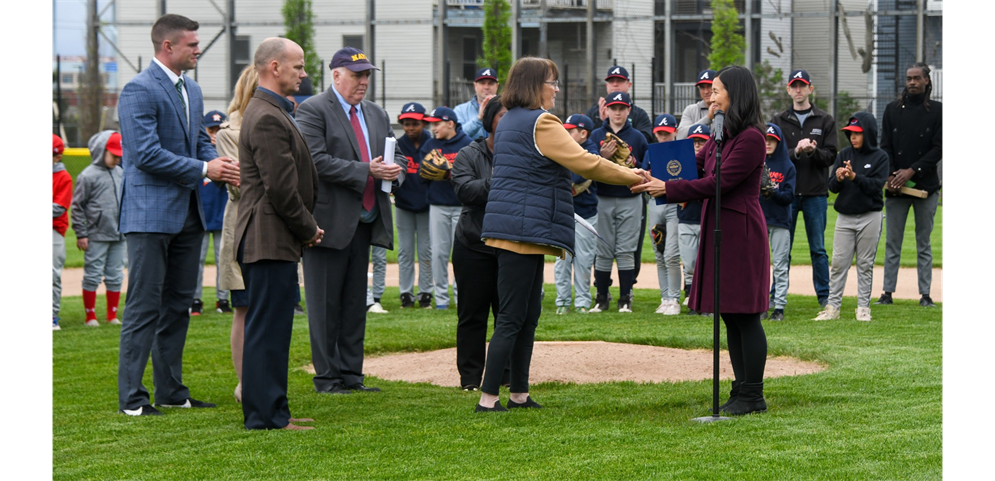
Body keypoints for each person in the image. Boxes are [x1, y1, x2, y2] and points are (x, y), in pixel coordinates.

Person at [476, 57, 642, 412]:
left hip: (520, 230)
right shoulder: (541, 122)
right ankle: (488, 398)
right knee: (511, 318)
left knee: (527, 314)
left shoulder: (509, 122)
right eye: (552, 82)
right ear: (535, 85)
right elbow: (586, 162)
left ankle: (518, 393)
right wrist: (633, 176)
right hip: (521, 231)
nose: (556, 89)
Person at [116, 14, 239, 416]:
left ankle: (170, 391)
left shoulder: (193, 89)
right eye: (191, 44)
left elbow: (197, 147)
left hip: (189, 214)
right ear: (168, 46)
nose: (198, 49)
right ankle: (132, 399)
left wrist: (222, 166)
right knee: (143, 306)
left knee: (177, 305)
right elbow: (145, 155)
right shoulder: (137, 89)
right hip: (149, 214)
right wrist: (206, 170)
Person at [631, 65, 771, 415]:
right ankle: (740, 391)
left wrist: (669, 188)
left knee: (746, 316)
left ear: (735, 95)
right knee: (730, 315)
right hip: (719, 225)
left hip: (740, 231)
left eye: (717, 91)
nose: (710, 96)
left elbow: (718, 183)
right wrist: (653, 175)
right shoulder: (720, 135)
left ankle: (753, 395)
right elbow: (695, 166)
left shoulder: (752, 138)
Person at [296, 46, 406, 395]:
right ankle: (327, 379)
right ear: (336, 75)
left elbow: (395, 152)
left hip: (365, 220)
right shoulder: (313, 110)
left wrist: (395, 169)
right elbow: (314, 161)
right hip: (326, 223)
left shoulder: (375, 113)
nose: (363, 82)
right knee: (324, 306)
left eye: (366, 75)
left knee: (354, 305)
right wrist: (367, 170)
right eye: (357, 75)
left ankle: (351, 375)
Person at [234, 37, 321, 430]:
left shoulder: (270, 110)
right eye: (298, 66)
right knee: (268, 331)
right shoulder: (267, 115)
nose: (303, 73)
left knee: (268, 329)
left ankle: (270, 411)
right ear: (274, 67)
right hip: (269, 238)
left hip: (270, 237)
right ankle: (266, 415)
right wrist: (308, 228)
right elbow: (281, 189)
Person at [451, 95, 508, 391]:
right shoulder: (468, 154)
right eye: (502, 115)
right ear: (489, 121)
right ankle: (471, 379)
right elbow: (465, 191)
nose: (508, 121)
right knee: (472, 315)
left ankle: (506, 375)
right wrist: (501, 180)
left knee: (508, 316)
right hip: (473, 245)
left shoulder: (524, 153)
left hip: (511, 247)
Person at [769, 69, 838, 308]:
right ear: (788, 90)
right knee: (782, 250)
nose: (798, 90)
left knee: (818, 249)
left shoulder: (824, 120)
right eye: (794, 86)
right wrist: (796, 152)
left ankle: (825, 297)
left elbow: (831, 157)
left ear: (810, 89)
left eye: (803, 85)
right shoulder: (778, 121)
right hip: (786, 195)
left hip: (815, 194)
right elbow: (772, 156)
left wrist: (813, 151)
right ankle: (776, 297)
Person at [877, 62, 943, 308]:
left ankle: (925, 294)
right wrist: (892, 176)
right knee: (892, 241)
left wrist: (912, 171)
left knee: (923, 242)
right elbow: (885, 146)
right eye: (908, 78)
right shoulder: (892, 110)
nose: (912, 82)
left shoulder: (938, 111)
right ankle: (887, 293)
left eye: (917, 78)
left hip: (926, 187)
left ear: (927, 80)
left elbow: (938, 148)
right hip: (896, 187)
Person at [813, 113, 890, 321]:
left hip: (870, 216)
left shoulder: (880, 157)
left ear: (869, 134)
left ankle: (863, 308)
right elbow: (832, 187)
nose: (852, 137)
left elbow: (876, 187)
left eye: (857, 133)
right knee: (839, 263)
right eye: (850, 134)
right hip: (845, 218)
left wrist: (854, 177)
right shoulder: (844, 153)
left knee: (865, 264)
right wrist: (838, 178)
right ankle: (832, 308)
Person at [215, 64, 258, 404]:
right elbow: (245, 185)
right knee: (243, 307)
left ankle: (267, 384)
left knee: (273, 308)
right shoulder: (229, 132)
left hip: (277, 230)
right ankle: (246, 384)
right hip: (245, 229)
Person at [588, 91, 648, 313]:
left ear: (628, 110)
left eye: (622, 108)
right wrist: (601, 157)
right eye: (614, 108)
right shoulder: (596, 135)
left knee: (626, 249)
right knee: (603, 247)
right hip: (602, 196)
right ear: (607, 110)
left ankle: (625, 298)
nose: (618, 112)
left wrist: (635, 162)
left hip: (630, 197)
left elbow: (645, 167)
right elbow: (589, 162)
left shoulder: (638, 137)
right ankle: (601, 297)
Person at [419, 106, 472, 310]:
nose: (433, 128)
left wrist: (450, 173)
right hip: (438, 205)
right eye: (432, 124)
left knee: (461, 254)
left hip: (461, 207)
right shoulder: (430, 145)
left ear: (450, 123)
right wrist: (428, 173)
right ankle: (441, 298)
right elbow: (422, 177)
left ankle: (461, 297)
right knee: (439, 253)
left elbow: (471, 176)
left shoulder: (467, 144)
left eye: (437, 123)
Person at [71, 130, 126, 327]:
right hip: (96, 235)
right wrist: (81, 233)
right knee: (93, 274)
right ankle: (90, 317)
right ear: (100, 150)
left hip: (119, 234)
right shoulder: (88, 176)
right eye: (113, 155)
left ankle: (112, 315)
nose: (117, 159)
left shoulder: (121, 173)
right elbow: (77, 206)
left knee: (115, 274)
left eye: (120, 155)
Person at [553, 114, 599, 315]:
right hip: (562, 212)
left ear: (583, 133)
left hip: (586, 213)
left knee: (583, 260)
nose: (565, 133)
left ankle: (582, 302)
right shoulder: (561, 148)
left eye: (570, 130)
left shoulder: (591, 150)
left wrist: (566, 172)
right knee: (561, 259)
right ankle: (562, 301)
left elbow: (577, 174)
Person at [394, 102, 434, 309]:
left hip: (427, 206)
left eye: (415, 124)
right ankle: (406, 294)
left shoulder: (432, 142)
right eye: (406, 124)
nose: (410, 128)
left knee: (426, 251)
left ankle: (426, 293)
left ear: (424, 124)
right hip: (403, 205)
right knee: (405, 252)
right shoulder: (398, 144)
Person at [192, 110, 232, 316]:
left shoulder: (229, 151)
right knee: (196, 259)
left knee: (222, 258)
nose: (215, 134)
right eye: (211, 129)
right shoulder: (198, 153)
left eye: (219, 129)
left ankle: (222, 300)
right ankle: (195, 300)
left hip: (222, 214)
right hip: (201, 215)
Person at [643, 113, 682, 315]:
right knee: (659, 252)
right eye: (660, 134)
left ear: (675, 131)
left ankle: (674, 299)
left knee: (671, 254)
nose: (664, 137)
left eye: (667, 133)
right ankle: (665, 298)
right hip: (655, 203)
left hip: (674, 204)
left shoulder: (681, 150)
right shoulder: (651, 153)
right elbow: (642, 176)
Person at [759, 124, 796, 322]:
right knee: (761, 265)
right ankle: (762, 305)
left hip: (780, 220)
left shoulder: (787, 166)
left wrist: (773, 193)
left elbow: (789, 196)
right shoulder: (757, 162)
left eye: (772, 140)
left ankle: (779, 306)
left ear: (778, 142)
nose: (768, 143)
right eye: (765, 139)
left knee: (780, 264)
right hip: (761, 219)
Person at [585, 66, 654, 143]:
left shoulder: (639, 114)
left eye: (620, 81)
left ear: (629, 85)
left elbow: (644, 142)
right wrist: (604, 123)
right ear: (607, 85)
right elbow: (585, 140)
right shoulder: (593, 113)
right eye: (611, 81)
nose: (615, 84)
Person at [52, 134, 72, 331]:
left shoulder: (63, 176)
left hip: (54, 230)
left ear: (57, 157)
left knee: (52, 274)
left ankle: (52, 316)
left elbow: (59, 207)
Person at [453, 67, 499, 141]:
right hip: (471, 152)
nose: (486, 87)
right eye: (482, 83)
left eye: (490, 83)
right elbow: (456, 137)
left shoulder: (505, 109)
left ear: (497, 86)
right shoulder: (460, 110)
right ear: (475, 86)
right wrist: (479, 119)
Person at [676, 69, 717, 140]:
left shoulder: (725, 108)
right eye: (702, 87)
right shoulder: (691, 110)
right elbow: (680, 136)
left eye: (709, 86)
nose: (706, 91)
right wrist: (707, 118)